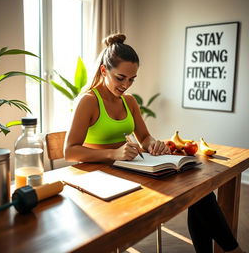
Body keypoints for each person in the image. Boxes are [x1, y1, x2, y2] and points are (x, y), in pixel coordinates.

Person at [64, 33, 245, 253]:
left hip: (131, 169)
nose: (126, 85)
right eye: (120, 78)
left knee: (198, 191)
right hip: (101, 178)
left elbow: (145, 137)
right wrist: (113, 154)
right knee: (198, 196)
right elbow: (70, 152)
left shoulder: (129, 101)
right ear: (104, 71)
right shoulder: (89, 101)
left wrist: (153, 144)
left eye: (132, 79)